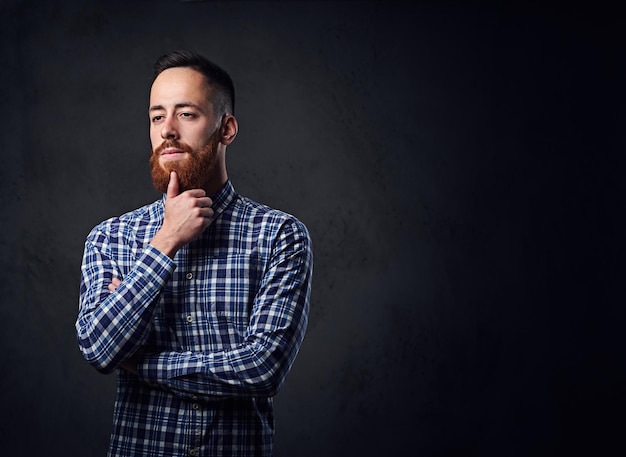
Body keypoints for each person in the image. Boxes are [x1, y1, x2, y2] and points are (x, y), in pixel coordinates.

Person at [76, 50, 313, 457]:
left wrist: (143, 364)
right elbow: (99, 347)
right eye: (156, 116)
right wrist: (163, 244)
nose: (167, 130)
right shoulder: (111, 237)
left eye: (186, 114)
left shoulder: (280, 236)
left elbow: (263, 369)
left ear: (227, 128)